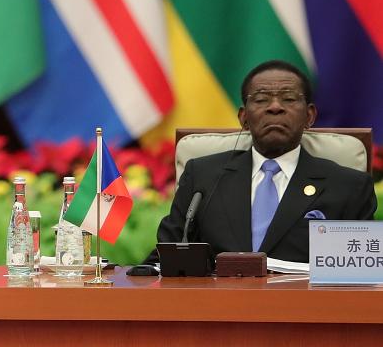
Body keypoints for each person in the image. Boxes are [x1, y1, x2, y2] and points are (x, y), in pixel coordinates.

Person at [156, 59, 377, 262]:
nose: (275, 107)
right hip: (218, 302)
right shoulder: (203, 176)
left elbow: (361, 271)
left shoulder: (349, 186)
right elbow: (165, 255)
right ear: (244, 118)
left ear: (309, 116)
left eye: (289, 99)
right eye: (261, 99)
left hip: (306, 304)